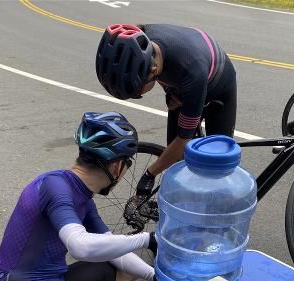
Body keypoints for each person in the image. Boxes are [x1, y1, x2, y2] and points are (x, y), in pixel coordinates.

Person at [0, 111, 157, 281]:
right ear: (118, 167)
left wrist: (155, 276)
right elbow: (81, 247)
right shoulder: (55, 187)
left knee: (125, 268)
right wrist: (147, 239)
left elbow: (114, 252)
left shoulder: (82, 197)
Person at [96, 23, 237, 198]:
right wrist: (170, 91)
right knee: (175, 158)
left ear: (153, 70)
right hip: (184, 77)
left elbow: (182, 140)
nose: (139, 94)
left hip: (218, 88)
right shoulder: (142, 40)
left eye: (138, 90)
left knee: (219, 162)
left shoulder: (192, 72)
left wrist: (150, 174)